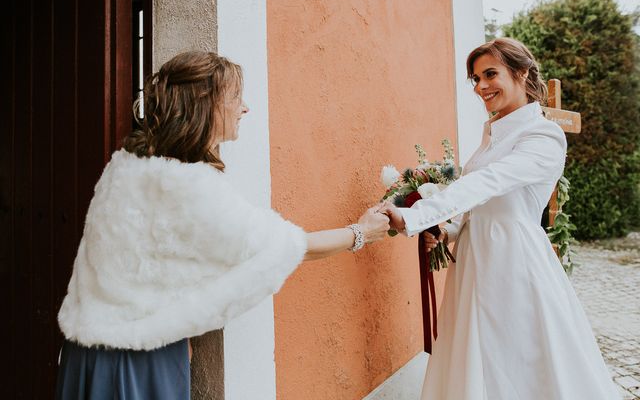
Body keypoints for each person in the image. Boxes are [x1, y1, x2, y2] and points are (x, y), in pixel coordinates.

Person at [55, 51, 390, 399]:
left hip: (84, 356)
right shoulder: (190, 186)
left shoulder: (123, 167)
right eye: (235, 98)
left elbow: (142, 269)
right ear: (206, 104)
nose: (245, 108)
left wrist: (181, 330)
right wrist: (362, 232)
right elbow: (285, 246)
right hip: (138, 364)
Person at [380, 38, 619, 400]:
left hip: (513, 260)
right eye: (475, 79)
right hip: (476, 259)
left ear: (521, 73)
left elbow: (491, 182)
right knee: (474, 354)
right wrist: (450, 229)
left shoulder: (544, 134)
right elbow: (484, 204)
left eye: (490, 74)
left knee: (516, 355)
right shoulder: (492, 133)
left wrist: (415, 214)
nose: (480, 87)